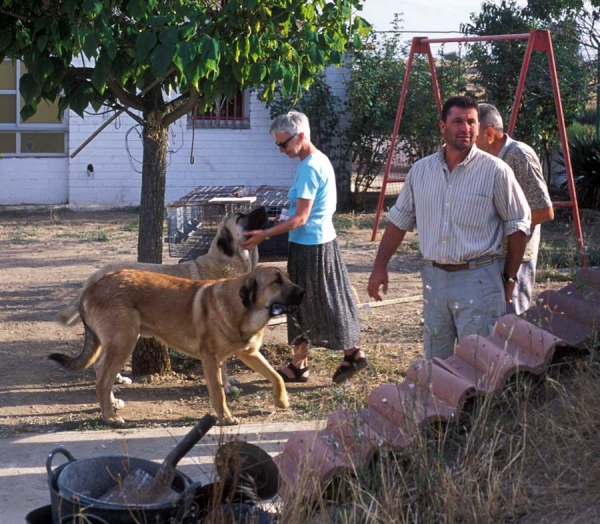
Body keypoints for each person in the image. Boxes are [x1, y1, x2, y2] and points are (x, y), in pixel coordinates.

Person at [367, 96, 531, 360]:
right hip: (435, 279)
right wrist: (379, 267)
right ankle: (441, 403)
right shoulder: (421, 172)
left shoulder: (496, 172)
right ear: (442, 126)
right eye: (457, 121)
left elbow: (518, 226)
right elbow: (398, 222)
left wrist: (510, 277)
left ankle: (482, 404)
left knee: (480, 361)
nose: (465, 128)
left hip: (479, 279)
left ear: (479, 128)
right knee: (436, 361)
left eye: (471, 122)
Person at [242, 110, 368, 383]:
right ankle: (299, 365)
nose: (280, 149)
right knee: (300, 303)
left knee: (325, 301)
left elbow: (301, 219)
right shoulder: (314, 161)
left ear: (300, 136)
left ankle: (353, 353)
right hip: (314, 242)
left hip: (313, 246)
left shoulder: (310, 167)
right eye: (277, 144)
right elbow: (303, 213)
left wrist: (265, 234)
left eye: (283, 143)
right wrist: (281, 218)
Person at [477, 103, 554, 314]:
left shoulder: (518, 155)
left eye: (472, 133)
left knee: (512, 323)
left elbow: (544, 211)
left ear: (488, 133)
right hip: (491, 256)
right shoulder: (486, 160)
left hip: (515, 258)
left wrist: (504, 227)